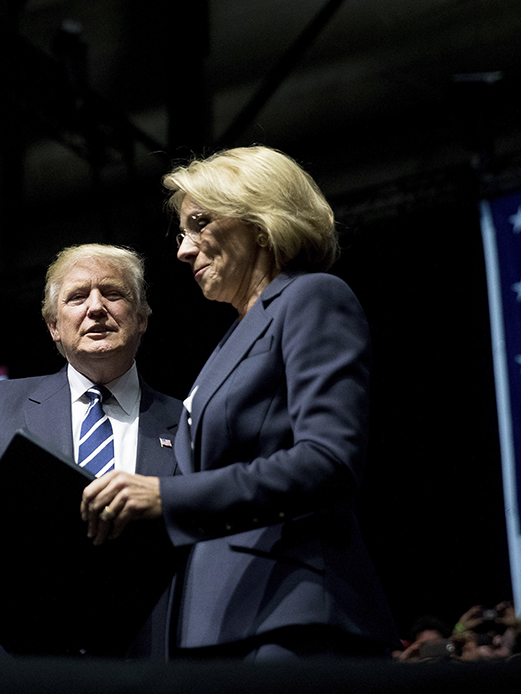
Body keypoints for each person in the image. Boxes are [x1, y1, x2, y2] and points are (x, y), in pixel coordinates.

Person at [81, 145, 399, 661]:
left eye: (199, 223)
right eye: (182, 232)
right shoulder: (226, 345)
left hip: (290, 613)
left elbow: (329, 461)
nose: (184, 250)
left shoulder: (312, 297)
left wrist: (166, 496)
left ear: (259, 219)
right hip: (214, 623)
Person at [0, 243, 183, 658]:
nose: (96, 307)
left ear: (142, 319)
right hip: (12, 653)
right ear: (53, 325)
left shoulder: (188, 423)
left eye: (113, 294)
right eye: (78, 296)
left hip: (140, 660)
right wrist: (9, 573)